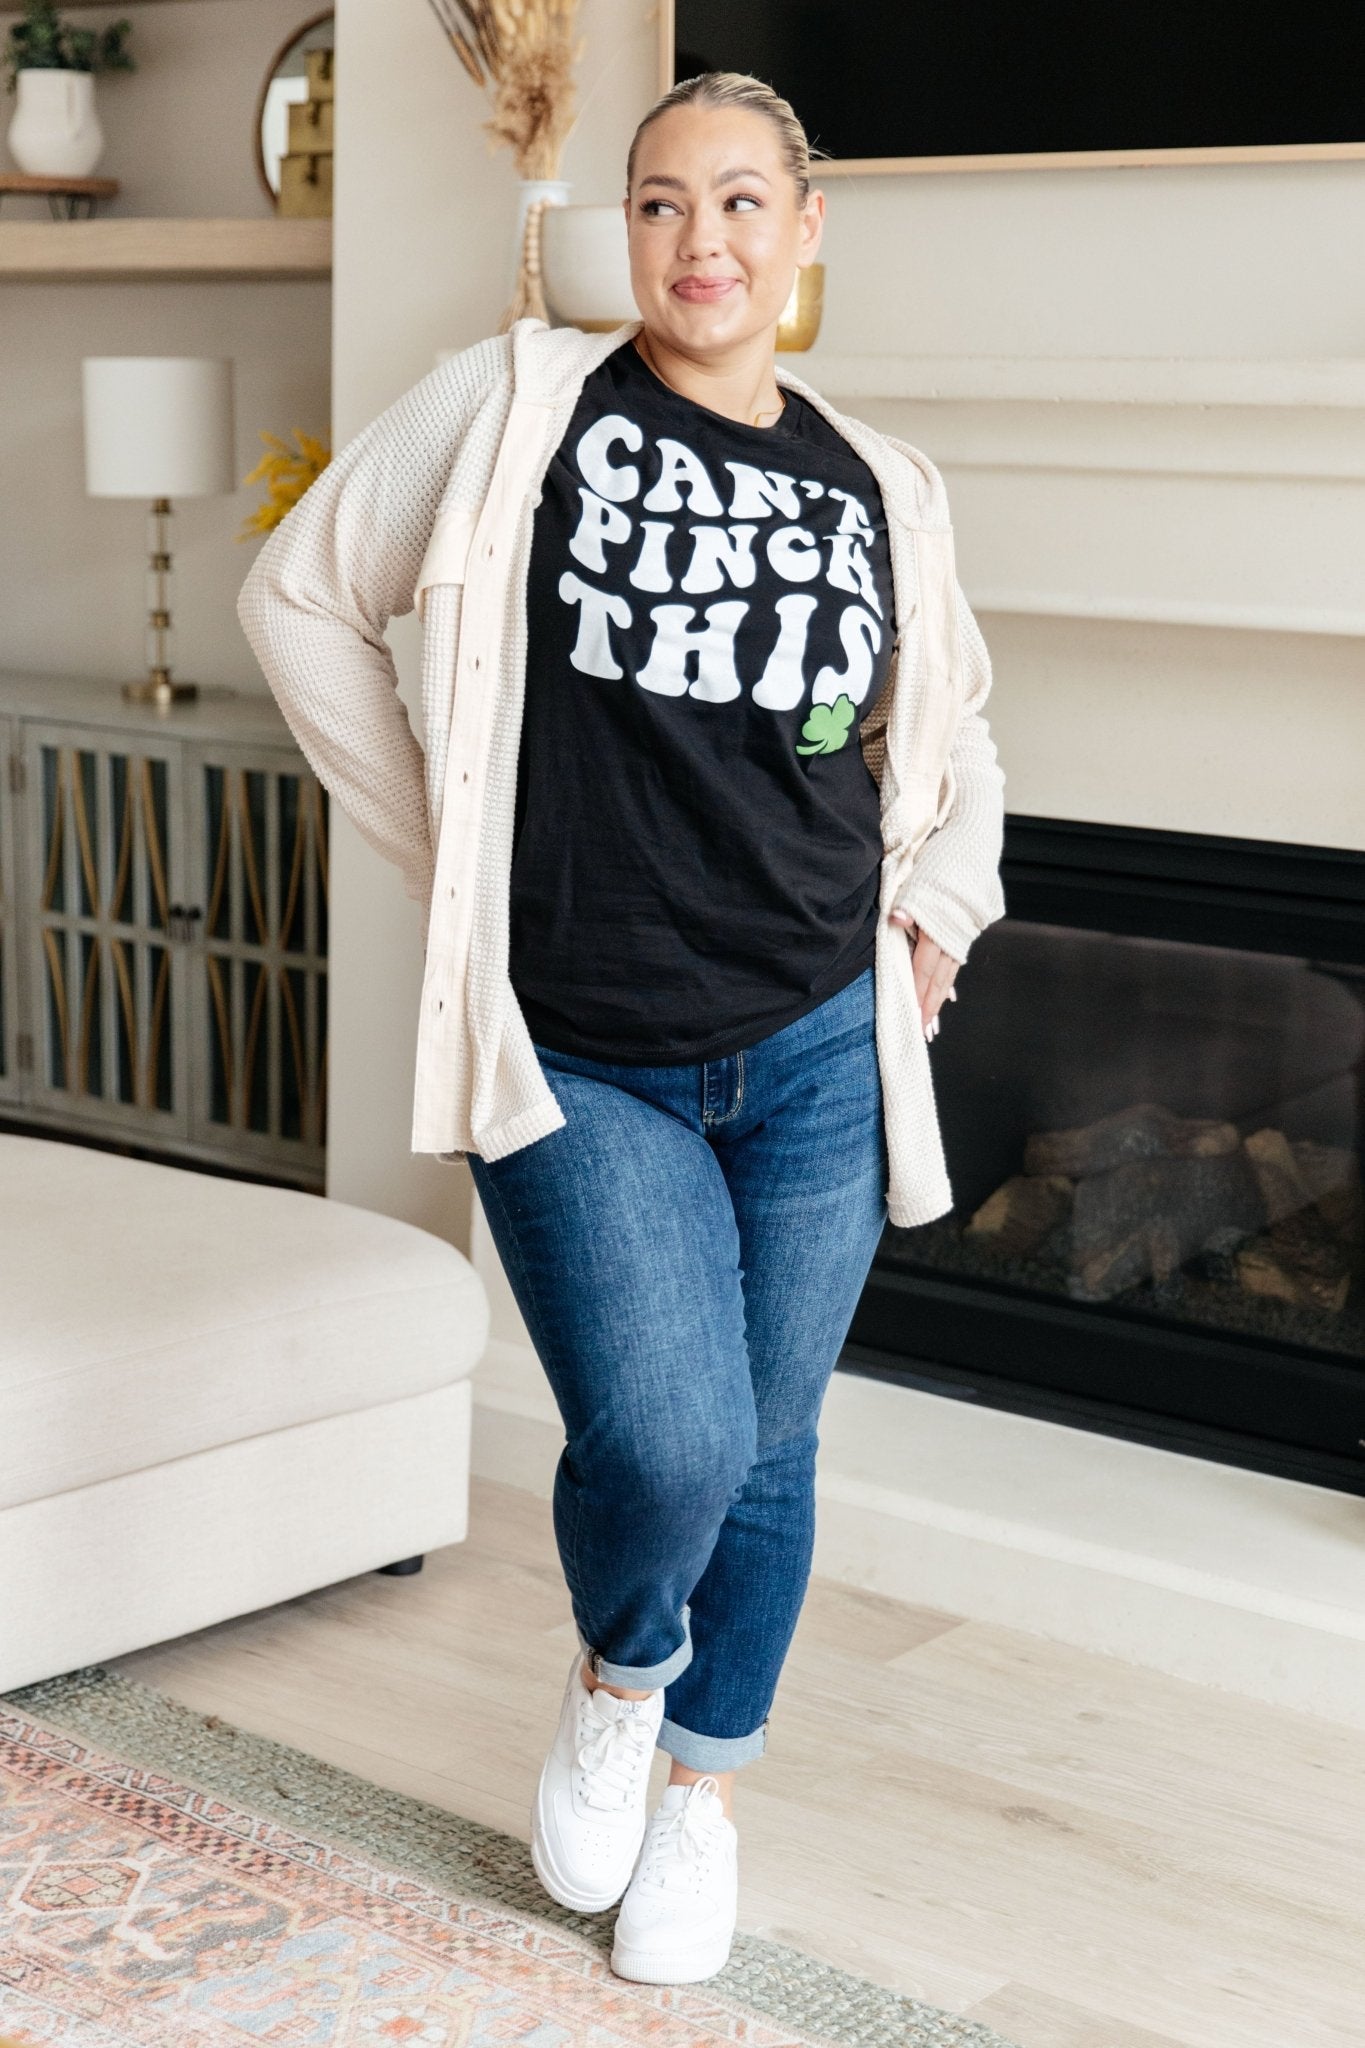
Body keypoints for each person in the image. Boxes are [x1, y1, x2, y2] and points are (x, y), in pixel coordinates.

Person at [238, 69, 1006, 1992]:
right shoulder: (515, 405)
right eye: (662, 203)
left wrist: (936, 909)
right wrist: (448, 854)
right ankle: (619, 1671)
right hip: (578, 1041)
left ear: (805, 229)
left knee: (771, 1444)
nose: (700, 241)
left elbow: (958, 729)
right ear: (627, 233)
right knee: (668, 1441)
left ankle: (700, 1799)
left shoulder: (882, 482)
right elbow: (297, 599)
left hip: (820, 1040)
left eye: (741, 202)